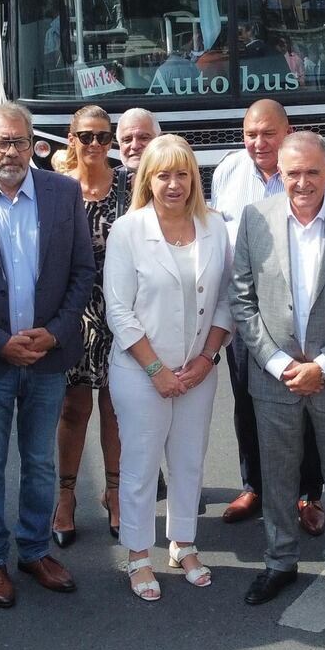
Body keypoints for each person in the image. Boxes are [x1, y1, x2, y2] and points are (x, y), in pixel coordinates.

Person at [0, 104, 96, 608]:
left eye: (21, 142)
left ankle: (33, 550)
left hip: (48, 358)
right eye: (2, 142)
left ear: (35, 145)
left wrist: (52, 333)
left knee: (39, 463)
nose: (12, 152)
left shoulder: (63, 193)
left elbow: (82, 272)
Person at [230, 131, 325, 611]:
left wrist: (323, 365)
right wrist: (278, 364)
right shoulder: (255, 219)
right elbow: (242, 299)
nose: (302, 182)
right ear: (279, 172)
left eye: (312, 172)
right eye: (292, 172)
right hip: (274, 377)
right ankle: (280, 560)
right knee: (277, 475)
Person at [104, 135, 232, 600]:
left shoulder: (215, 226)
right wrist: (156, 368)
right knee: (140, 466)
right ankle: (139, 554)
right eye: (163, 175)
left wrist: (206, 359)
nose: (173, 184)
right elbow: (118, 310)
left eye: (183, 174)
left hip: (199, 370)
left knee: (188, 461)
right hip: (141, 372)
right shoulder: (128, 230)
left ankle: (183, 542)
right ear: (147, 180)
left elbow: (226, 301)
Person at [210, 99, 325, 526]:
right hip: (247, 314)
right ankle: (254, 487)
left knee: (307, 404)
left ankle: (309, 494)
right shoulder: (228, 172)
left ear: (288, 131)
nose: (258, 142)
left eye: (268, 133)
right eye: (250, 134)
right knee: (248, 401)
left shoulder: (320, 169)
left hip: (306, 312)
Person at [54, 106, 125, 545]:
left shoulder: (132, 185)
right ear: (71, 138)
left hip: (122, 310)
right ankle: (66, 497)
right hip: (73, 312)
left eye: (103, 136)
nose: (95, 145)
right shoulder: (57, 190)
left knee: (117, 409)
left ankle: (115, 493)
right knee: (73, 408)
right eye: (86, 136)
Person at [110, 107, 162, 214]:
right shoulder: (106, 185)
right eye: (127, 140)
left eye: (144, 138)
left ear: (159, 139)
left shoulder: (177, 182)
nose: (135, 146)